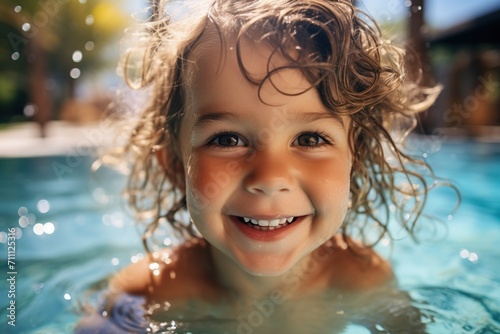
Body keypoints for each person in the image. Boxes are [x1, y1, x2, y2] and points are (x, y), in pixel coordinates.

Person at [77, 0, 448, 332]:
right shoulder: (148, 294)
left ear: (357, 158)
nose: (270, 179)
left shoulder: (360, 279)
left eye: (310, 139)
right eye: (227, 139)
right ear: (176, 166)